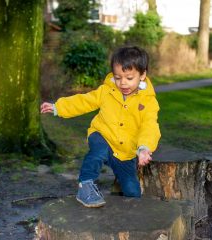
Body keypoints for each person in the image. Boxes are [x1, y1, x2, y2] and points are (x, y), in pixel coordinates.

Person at [40, 46, 161, 208]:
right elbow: (84, 101)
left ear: (143, 75)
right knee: (98, 152)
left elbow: (150, 125)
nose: (122, 83)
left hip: (125, 151)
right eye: (118, 78)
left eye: (129, 78)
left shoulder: (148, 102)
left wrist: (144, 147)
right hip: (101, 134)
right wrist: (58, 107)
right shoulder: (106, 91)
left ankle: (133, 211)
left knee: (132, 189)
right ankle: (86, 185)